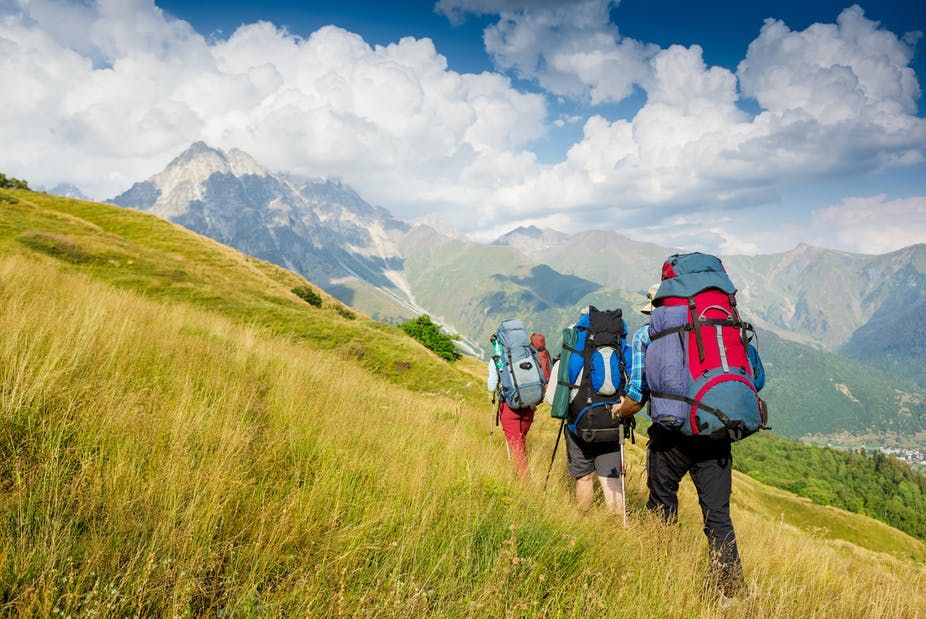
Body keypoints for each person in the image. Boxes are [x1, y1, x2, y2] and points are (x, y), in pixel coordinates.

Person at [615, 283, 766, 598]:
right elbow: (757, 380)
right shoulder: (720, 327)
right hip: (714, 435)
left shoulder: (647, 336)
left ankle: (664, 578)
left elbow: (637, 394)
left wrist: (621, 411)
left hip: (670, 437)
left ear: (655, 307)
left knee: (662, 504)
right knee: (717, 515)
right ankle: (731, 592)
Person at [546, 307, 634, 514]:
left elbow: (552, 399)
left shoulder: (574, 351)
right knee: (611, 480)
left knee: (584, 477)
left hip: (580, 428)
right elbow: (638, 385)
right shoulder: (623, 348)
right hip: (614, 424)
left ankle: (585, 521)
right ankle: (618, 532)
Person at [487, 348, 536, 481]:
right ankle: (519, 475)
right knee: (521, 442)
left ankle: (526, 487)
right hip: (528, 405)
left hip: (509, 407)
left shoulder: (497, 359)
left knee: (516, 447)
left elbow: (491, 387)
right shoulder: (528, 352)